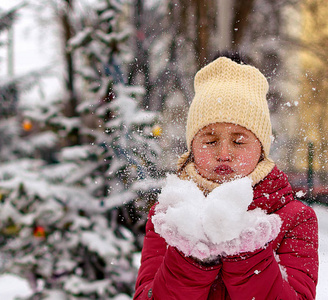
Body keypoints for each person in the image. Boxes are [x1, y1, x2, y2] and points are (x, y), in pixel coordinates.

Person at [133, 57, 318, 299]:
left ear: (261, 148)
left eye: (239, 141)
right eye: (210, 141)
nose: (223, 155)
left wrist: (247, 256)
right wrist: (191, 258)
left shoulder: (294, 220)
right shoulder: (168, 217)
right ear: (192, 147)